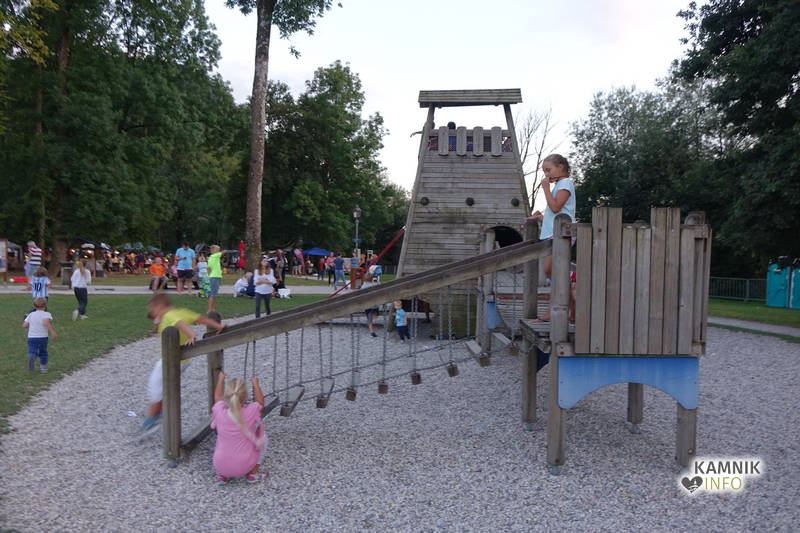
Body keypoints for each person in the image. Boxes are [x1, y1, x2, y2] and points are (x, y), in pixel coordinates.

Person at [138, 293, 225, 435]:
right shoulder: (180, 312)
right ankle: (158, 414)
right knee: (163, 388)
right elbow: (202, 319)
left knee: (154, 389)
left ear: (159, 306)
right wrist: (218, 325)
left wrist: (192, 335)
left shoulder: (170, 316)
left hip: (169, 361)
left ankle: (152, 420)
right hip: (183, 362)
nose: (153, 312)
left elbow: (179, 323)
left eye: (153, 309)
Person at [527, 154, 576, 321]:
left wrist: (546, 189)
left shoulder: (565, 183)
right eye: (544, 171)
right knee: (554, 271)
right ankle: (572, 308)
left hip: (561, 235)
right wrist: (540, 217)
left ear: (561, 166)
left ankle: (553, 311)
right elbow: (555, 212)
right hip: (553, 234)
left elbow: (556, 208)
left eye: (549, 170)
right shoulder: (559, 185)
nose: (547, 175)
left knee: (553, 271)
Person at [211, 372, 267, 485]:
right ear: (245, 397)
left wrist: (220, 379)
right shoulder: (251, 410)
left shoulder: (220, 411)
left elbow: (217, 398)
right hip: (245, 465)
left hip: (220, 465)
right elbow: (261, 402)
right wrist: (256, 384)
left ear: (226, 397)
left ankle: (223, 476)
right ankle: (253, 473)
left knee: (224, 440)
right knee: (263, 437)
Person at [23, 297, 57, 372]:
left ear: (34, 306)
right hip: (42, 337)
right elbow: (46, 322)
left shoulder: (31, 314)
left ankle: (32, 356)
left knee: (32, 350)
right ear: (46, 305)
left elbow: (25, 325)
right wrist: (52, 331)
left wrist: (26, 321)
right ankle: (43, 367)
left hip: (31, 337)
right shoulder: (46, 314)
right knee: (43, 352)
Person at [206, 244, 231, 313]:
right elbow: (223, 252)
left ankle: (212, 309)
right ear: (213, 250)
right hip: (215, 277)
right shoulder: (215, 256)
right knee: (213, 295)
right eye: (217, 250)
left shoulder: (211, 258)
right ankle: (210, 310)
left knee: (213, 294)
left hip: (213, 277)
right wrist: (225, 251)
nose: (218, 251)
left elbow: (208, 268)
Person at [362, 273, 379, 337]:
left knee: (369, 318)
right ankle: (375, 314)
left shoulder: (363, 286)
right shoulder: (375, 284)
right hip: (375, 305)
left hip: (368, 305)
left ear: (364, 279)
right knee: (374, 311)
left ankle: (372, 331)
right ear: (372, 279)